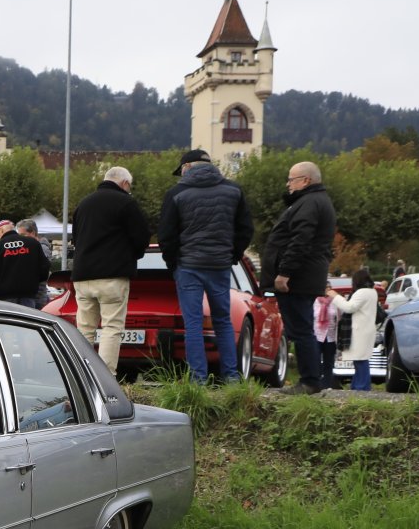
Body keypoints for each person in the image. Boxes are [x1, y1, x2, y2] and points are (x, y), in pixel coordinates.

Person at [158, 149, 253, 384]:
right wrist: (231, 256)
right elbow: (245, 229)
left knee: (193, 323)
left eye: (181, 169)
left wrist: (173, 263)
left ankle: (198, 379)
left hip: (189, 266)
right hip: (220, 265)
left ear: (187, 167)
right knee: (223, 320)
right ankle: (231, 377)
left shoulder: (177, 193)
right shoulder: (234, 190)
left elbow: (166, 235)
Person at [259, 160, 337, 395]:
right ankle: (309, 379)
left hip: (298, 278)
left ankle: (309, 381)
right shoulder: (314, 201)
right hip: (305, 276)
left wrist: (285, 272)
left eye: (291, 179)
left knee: (301, 330)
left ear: (306, 180)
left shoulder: (309, 203)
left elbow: (300, 240)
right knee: (301, 329)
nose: (288, 184)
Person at [71, 166, 152, 375]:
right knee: (111, 327)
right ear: (125, 183)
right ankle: (106, 378)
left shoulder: (83, 204)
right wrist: (131, 256)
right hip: (112, 276)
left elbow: (76, 240)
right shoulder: (126, 203)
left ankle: (83, 377)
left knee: (85, 329)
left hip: (82, 276)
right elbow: (142, 237)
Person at [330, 268, 378, 392]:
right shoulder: (372, 291)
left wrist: (335, 296)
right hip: (366, 329)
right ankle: (357, 385)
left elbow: (349, 307)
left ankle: (362, 387)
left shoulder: (362, 292)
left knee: (360, 360)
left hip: (360, 331)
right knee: (361, 359)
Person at [0, 219, 50, 309]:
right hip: (28, 295)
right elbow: (45, 268)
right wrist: (33, 281)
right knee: (27, 317)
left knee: (9, 318)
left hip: (5, 297)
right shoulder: (33, 243)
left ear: (1, 231)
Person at [313, 286, 342, 389]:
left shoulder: (335, 302)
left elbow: (340, 317)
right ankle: (315, 383)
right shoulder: (315, 301)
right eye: (325, 288)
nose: (326, 291)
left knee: (329, 362)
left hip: (330, 335)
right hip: (317, 335)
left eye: (329, 288)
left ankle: (327, 384)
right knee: (315, 360)